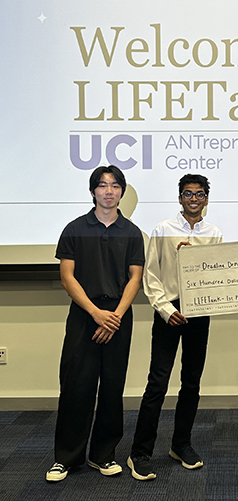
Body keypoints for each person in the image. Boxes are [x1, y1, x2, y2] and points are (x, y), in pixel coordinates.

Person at [46, 165, 145, 482]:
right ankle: (66, 458)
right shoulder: (75, 228)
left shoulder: (131, 233)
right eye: (102, 185)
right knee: (76, 387)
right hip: (84, 315)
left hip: (118, 315)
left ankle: (103, 456)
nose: (109, 191)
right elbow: (67, 277)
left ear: (122, 192)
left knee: (113, 388)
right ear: (93, 191)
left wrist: (113, 316)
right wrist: (95, 313)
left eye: (115, 185)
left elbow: (135, 279)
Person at [128, 174, 223, 481]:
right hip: (169, 313)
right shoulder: (162, 230)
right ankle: (140, 452)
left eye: (199, 194)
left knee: (191, 383)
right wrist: (166, 310)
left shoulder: (214, 233)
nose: (193, 199)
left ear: (206, 199)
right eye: (187, 194)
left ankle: (181, 444)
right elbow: (151, 276)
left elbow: (218, 275)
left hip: (200, 313)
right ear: (180, 198)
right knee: (157, 383)